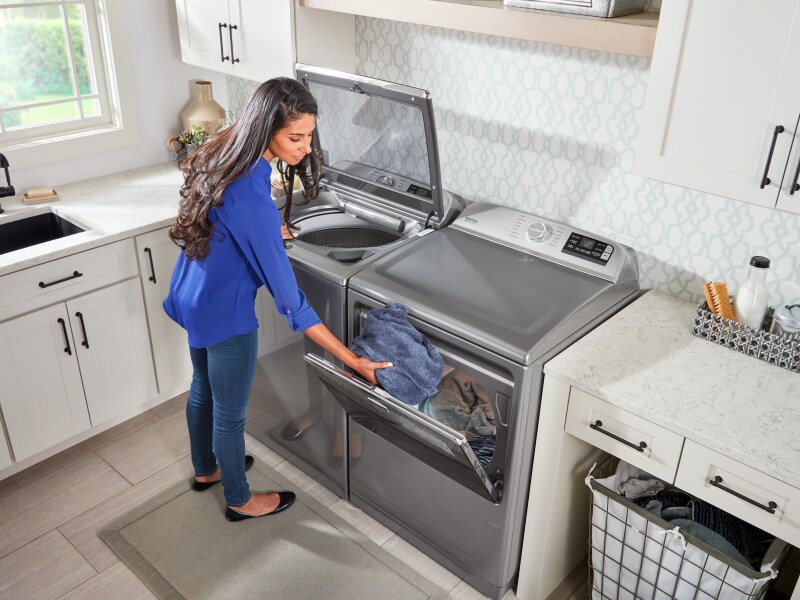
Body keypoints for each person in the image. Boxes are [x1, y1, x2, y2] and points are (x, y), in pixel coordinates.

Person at [163, 77, 392, 522]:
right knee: (230, 415)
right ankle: (240, 499)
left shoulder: (225, 151)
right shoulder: (252, 194)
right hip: (226, 316)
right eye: (295, 137)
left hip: (190, 295)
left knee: (202, 389)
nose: (305, 147)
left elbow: (229, 224)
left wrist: (266, 232)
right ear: (267, 129)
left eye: (309, 135)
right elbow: (293, 304)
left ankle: (206, 469)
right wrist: (353, 360)